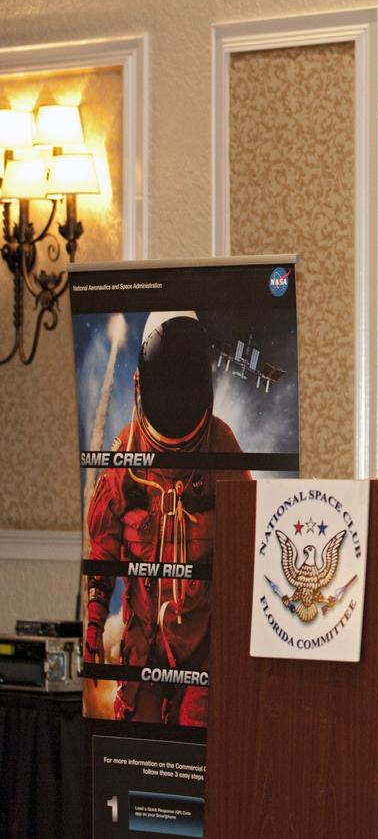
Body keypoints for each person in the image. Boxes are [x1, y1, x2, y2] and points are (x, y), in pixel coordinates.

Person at [84, 311, 250, 725]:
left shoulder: (222, 446)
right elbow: (103, 543)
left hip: (204, 651)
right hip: (143, 650)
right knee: (136, 758)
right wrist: (92, 620)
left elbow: (249, 544)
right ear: (142, 384)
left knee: (198, 753)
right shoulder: (126, 451)